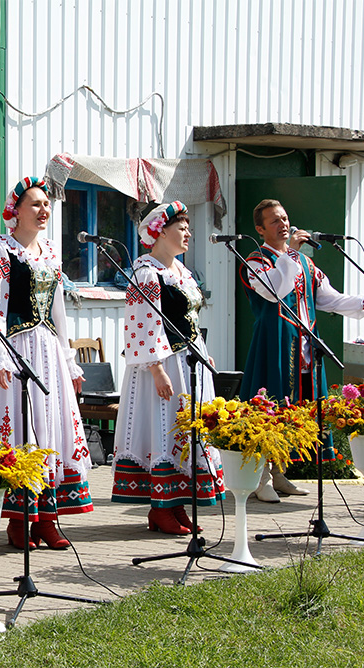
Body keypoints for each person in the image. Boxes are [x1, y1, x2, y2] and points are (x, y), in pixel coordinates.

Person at [0, 176, 93, 550]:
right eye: (36, 205)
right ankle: (17, 517)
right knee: (19, 431)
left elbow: (57, 311)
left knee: (51, 428)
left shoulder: (50, 252)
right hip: (15, 347)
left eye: (46, 205)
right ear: (16, 211)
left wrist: (70, 360)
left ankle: (46, 516)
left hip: (47, 350)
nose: (44, 211)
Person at [239, 198, 364, 502]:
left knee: (298, 407)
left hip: (305, 345)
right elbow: (276, 290)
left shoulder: (303, 262)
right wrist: (292, 254)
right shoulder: (256, 261)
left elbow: (329, 299)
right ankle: (261, 478)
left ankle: (279, 473)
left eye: (284, 218)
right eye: (274, 220)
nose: (283, 224)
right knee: (271, 404)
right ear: (260, 229)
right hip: (273, 344)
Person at [109, 202, 224, 534]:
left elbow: (189, 317)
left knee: (186, 427)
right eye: (181, 227)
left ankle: (176, 502)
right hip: (162, 361)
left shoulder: (181, 272)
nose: (188, 232)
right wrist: (155, 368)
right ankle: (161, 507)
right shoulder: (147, 272)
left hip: (189, 359)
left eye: (188, 227)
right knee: (165, 426)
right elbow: (141, 325)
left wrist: (203, 352)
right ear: (160, 231)